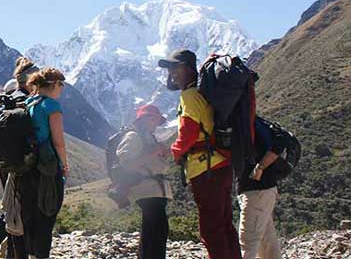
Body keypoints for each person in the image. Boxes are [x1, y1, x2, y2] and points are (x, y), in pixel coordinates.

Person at [158, 49, 241, 259]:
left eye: (175, 68)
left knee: (211, 229)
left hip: (205, 168)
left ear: (187, 68)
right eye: (170, 69)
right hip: (222, 163)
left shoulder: (189, 96)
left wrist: (173, 153)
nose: (172, 73)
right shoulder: (202, 92)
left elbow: (189, 132)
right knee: (224, 224)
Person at [0, 57, 39, 259]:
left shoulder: (3, 107)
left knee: (12, 208)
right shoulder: (25, 102)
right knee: (18, 211)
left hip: (4, 163)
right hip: (21, 165)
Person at [9, 67, 69, 259]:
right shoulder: (51, 106)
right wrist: (65, 166)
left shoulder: (27, 103)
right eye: (62, 85)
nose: (62, 90)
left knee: (28, 217)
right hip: (47, 169)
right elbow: (58, 142)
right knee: (46, 216)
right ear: (54, 84)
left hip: (26, 168)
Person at [115, 105, 173, 259]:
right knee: (157, 229)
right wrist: (153, 153)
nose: (156, 122)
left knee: (155, 229)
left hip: (155, 189)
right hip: (146, 188)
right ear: (144, 119)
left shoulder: (148, 136)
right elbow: (125, 161)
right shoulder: (133, 136)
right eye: (154, 118)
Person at [237, 124, 284, 259]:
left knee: (247, 243)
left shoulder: (250, 124)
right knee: (267, 243)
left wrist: (261, 167)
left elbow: (281, 141)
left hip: (257, 191)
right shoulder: (248, 123)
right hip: (260, 191)